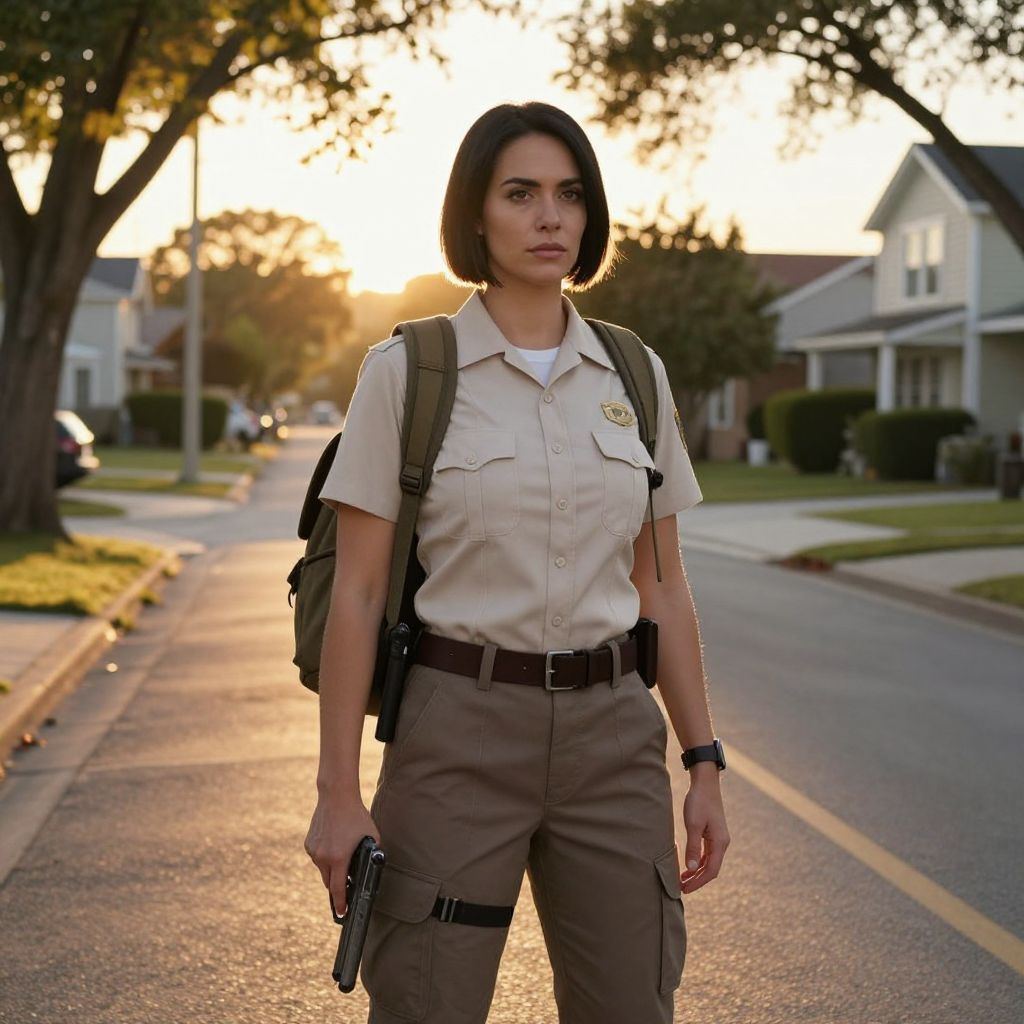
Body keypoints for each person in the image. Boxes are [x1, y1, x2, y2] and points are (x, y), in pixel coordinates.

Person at [305, 101, 731, 1024]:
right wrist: (338, 794)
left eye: (570, 195)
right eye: (522, 193)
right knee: (428, 1003)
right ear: (476, 215)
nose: (550, 217)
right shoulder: (408, 371)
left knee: (632, 1004)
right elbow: (359, 592)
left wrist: (703, 762)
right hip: (458, 733)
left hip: (613, 739)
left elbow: (661, 584)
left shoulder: (634, 373)